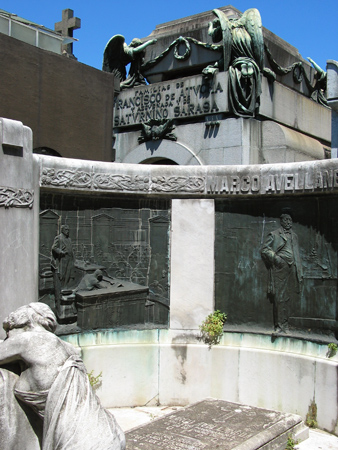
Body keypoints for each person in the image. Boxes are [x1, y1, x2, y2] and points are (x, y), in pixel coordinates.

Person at [0, 303, 126, 450]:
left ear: (24, 322)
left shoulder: (29, 340)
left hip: (80, 443)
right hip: (109, 432)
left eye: (9, 331)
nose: (7, 338)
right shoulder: (68, 348)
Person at [261, 214, 303, 333]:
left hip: (292, 268)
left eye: (290, 220)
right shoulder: (274, 234)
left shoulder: (294, 236)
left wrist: (299, 270)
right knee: (279, 297)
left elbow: (297, 253)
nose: (289, 222)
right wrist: (276, 258)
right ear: (281, 221)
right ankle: (279, 326)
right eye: (286, 220)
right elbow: (264, 249)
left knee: (288, 297)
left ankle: (285, 324)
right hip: (280, 267)